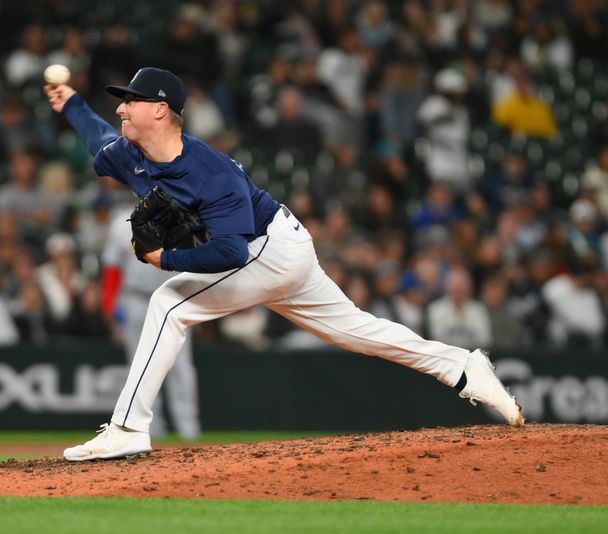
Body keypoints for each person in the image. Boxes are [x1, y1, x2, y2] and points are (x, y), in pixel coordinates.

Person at [45, 67, 524, 462]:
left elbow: (231, 252)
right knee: (357, 331)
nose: (121, 107)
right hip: (281, 250)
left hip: (267, 250)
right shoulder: (130, 154)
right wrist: (71, 104)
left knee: (169, 304)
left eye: (130, 100)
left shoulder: (212, 173)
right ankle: (463, 368)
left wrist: (164, 258)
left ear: (160, 109)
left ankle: (129, 427)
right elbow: (97, 138)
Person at [102, 205, 202, 440]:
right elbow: (112, 268)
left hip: (175, 297)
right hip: (136, 299)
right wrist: (109, 304)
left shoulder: (183, 216)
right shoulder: (121, 222)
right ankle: (149, 429)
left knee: (180, 366)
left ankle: (189, 429)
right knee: (140, 365)